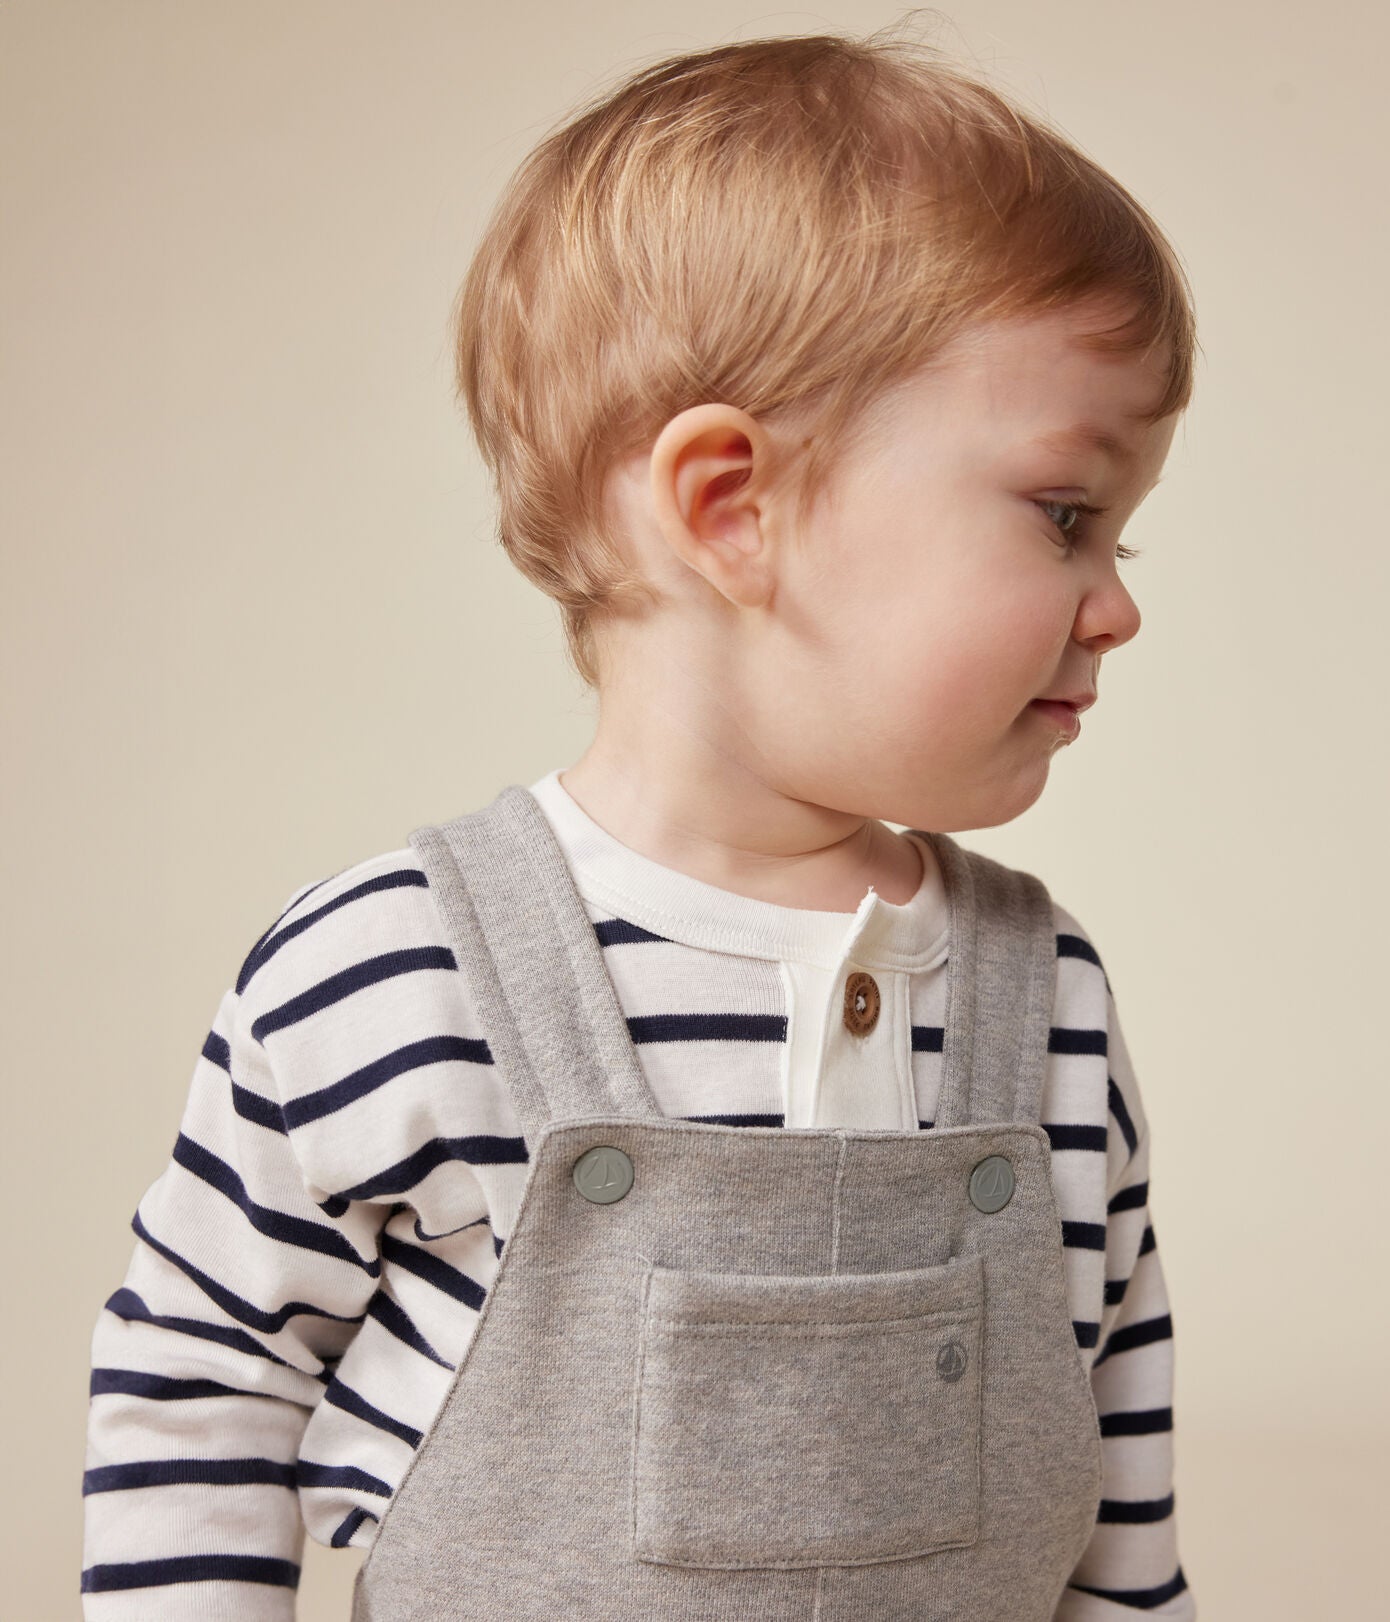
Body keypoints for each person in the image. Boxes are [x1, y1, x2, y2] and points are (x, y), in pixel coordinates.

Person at [81, 23, 1199, 1621]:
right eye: (1067, 514)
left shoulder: (1050, 997)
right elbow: (199, 1381)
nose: (1113, 609)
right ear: (730, 506)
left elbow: (1119, 1430)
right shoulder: (391, 970)